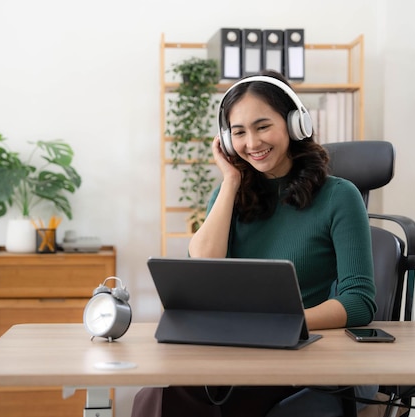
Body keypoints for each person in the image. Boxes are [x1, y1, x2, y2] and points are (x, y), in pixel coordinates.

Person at [132, 70, 377, 417]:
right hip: (234, 353)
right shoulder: (228, 194)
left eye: (263, 127)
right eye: (239, 132)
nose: (252, 143)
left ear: (295, 124)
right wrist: (231, 180)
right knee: (159, 395)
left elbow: (359, 301)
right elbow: (203, 264)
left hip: (300, 358)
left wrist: (287, 324)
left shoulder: (339, 196)